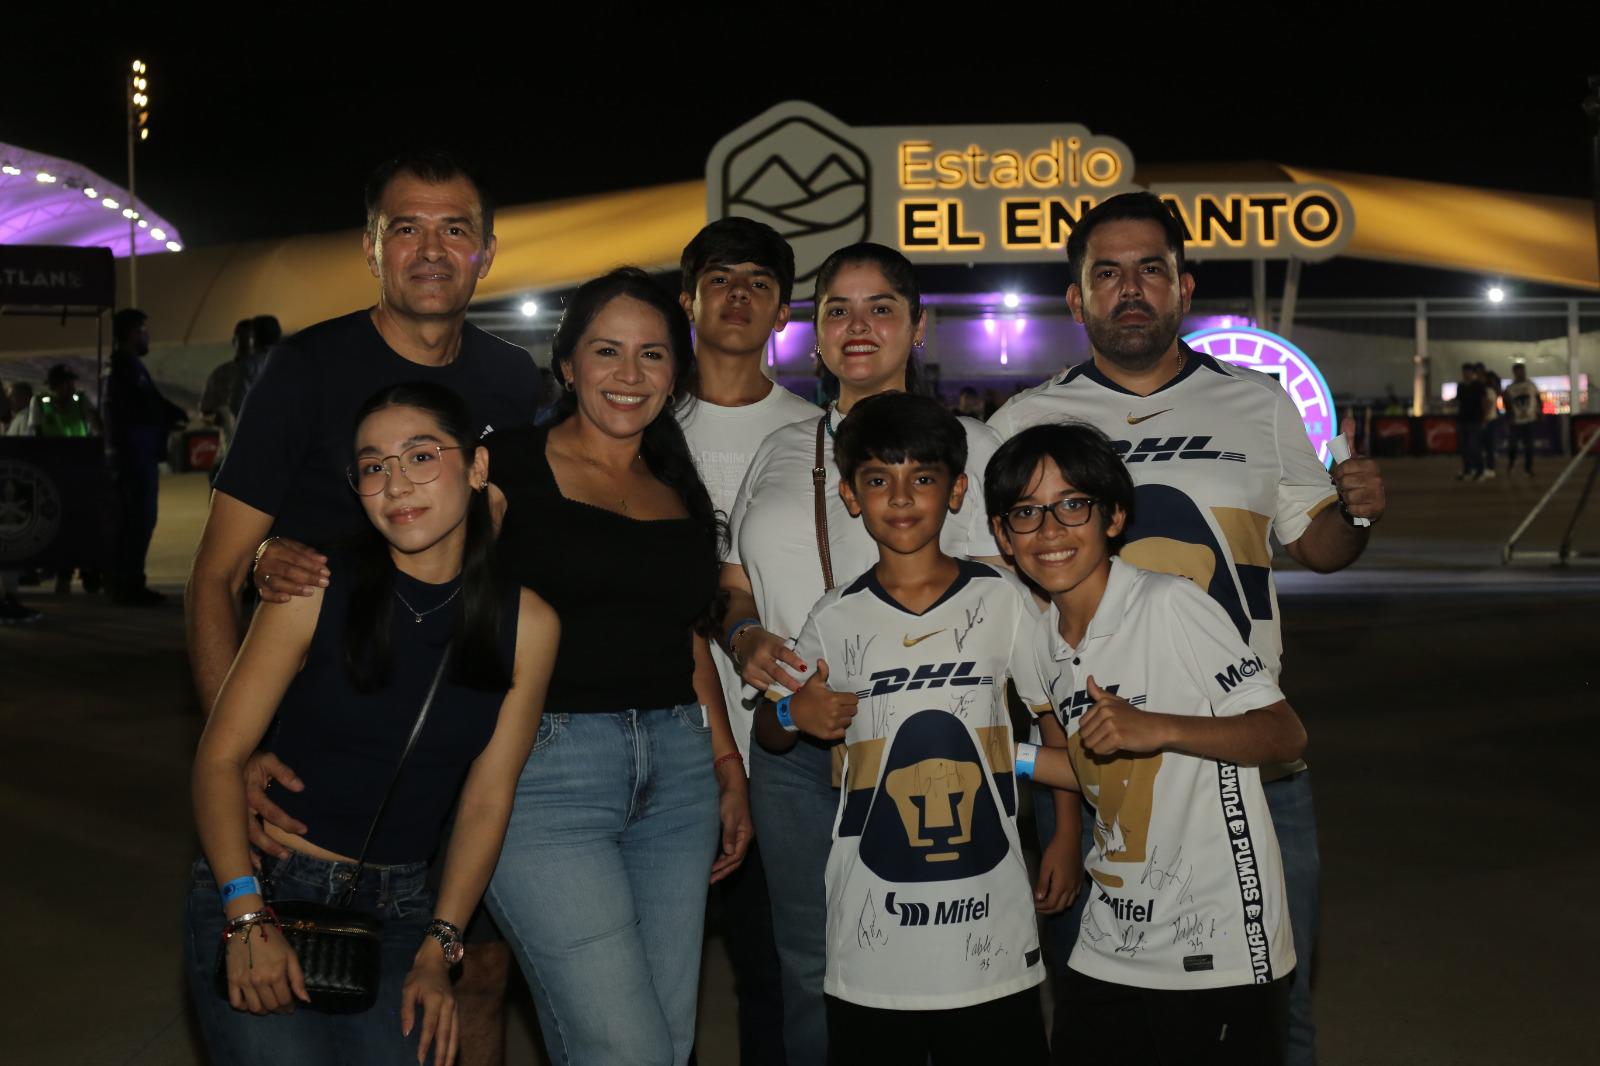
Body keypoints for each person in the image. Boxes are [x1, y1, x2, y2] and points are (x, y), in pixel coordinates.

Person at [988, 191, 1384, 1066]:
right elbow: (1002, 607)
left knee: (1279, 1014)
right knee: (1102, 1011)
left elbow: (1316, 545)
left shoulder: (1257, 402)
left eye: (1150, 270)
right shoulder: (1023, 425)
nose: (1131, 288)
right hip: (1105, 776)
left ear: (1183, 286)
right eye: (1107, 273)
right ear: (1076, 299)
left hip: (1250, 762)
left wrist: (1354, 514)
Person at [186, 152, 544, 1066]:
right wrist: (243, 750)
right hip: (312, 745)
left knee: (475, 992)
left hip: (434, 788)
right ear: (371, 248)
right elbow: (216, 574)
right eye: (407, 229)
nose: (431, 250)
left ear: (487, 254)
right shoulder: (305, 370)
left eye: (454, 229)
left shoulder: (515, 382)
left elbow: (520, 553)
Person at [719, 242, 1061, 1066]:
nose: (858, 326)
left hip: (938, 743)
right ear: (813, 333)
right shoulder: (781, 450)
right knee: (810, 965)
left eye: (881, 308)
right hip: (799, 741)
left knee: (965, 955)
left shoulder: (975, 449)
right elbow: (732, 588)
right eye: (837, 309)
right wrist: (745, 635)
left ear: (918, 326)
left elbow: (1029, 587)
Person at [479, 267, 749, 1066]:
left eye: (653, 355)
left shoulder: (674, 481)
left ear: (676, 371)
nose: (629, 376)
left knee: (666, 1043)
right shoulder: (504, 468)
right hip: (544, 776)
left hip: (677, 774)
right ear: (566, 365)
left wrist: (725, 762)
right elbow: (420, 587)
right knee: (622, 1048)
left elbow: (686, 636)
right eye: (606, 352)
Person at [993, 421, 1304, 1064]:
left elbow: (1283, 733)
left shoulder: (1169, 605)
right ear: (1002, 534)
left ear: (1114, 518)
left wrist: (1158, 726)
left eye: (1072, 505)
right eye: (1026, 513)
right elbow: (1093, 768)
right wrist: (1005, 756)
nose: (1050, 530)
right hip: (1111, 932)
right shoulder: (1040, 642)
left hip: (1216, 937)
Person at [676, 216, 819, 1063]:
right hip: (663, 745)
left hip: (782, 749)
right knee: (659, 978)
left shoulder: (812, 436)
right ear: (686, 299)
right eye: (721, 278)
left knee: (778, 974)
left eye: (759, 283)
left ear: (782, 312)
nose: (739, 296)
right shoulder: (637, 421)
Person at [106, 308, 188, 606]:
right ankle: (128, 583)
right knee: (138, 520)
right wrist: (170, 417)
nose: (147, 335)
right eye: (144, 329)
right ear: (132, 332)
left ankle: (126, 581)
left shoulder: (127, 367)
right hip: (135, 455)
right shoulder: (126, 370)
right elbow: (144, 407)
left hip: (135, 454)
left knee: (134, 520)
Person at [29, 364, 101, 438]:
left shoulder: (81, 399)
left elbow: (95, 424)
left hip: (79, 448)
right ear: (53, 385)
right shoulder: (39, 401)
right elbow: (36, 430)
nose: (72, 387)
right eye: (66, 383)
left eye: (72, 382)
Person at [1503, 362, 1541, 475]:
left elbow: (1538, 399)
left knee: (1529, 445)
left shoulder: (1531, 385)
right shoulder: (1510, 388)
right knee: (1513, 445)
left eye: (1522, 371)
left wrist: (1540, 412)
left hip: (1530, 420)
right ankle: (1511, 463)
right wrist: (1509, 416)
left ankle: (1528, 468)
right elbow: (1506, 403)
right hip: (1516, 421)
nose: (1521, 374)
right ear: (1514, 373)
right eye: (1518, 371)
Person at [1455, 363, 1486, 481]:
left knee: (1474, 447)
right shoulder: (1461, 386)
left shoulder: (1478, 385)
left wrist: (1484, 417)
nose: (1465, 374)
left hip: (1475, 420)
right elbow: (1458, 401)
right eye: (1464, 372)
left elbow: (1484, 401)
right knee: (1464, 448)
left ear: (1472, 373)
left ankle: (1480, 470)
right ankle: (1468, 470)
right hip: (1462, 419)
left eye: (1467, 372)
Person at [1479, 364, 1502, 479]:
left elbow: (1489, 404)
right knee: (1485, 446)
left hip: (1489, 419)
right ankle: (1486, 467)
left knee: (1489, 445)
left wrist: (1484, 419)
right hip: (1488, 419)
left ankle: (1490, 468)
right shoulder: (1484, 389)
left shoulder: (1488, 389)